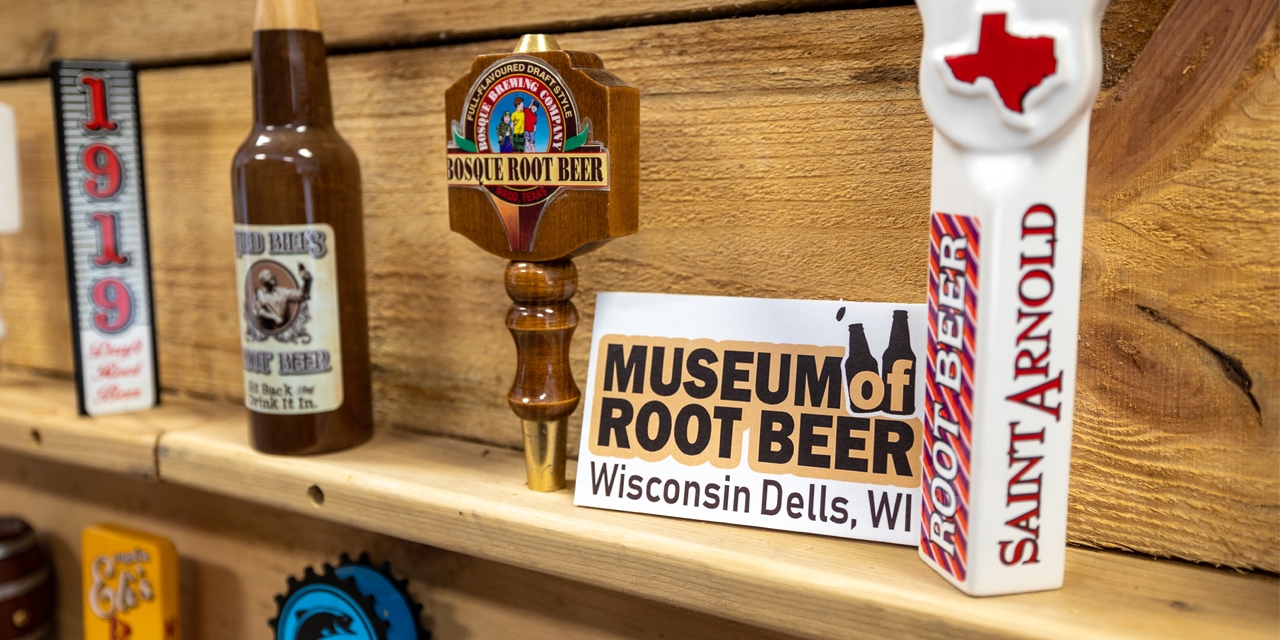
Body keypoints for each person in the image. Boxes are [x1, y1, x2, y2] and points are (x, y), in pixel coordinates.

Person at [254, 264, 311, 331]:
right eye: (268, 275)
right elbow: (260, 312)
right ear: (262, 281)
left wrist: (306, 281)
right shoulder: (259, 294)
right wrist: (274, 317)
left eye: (271, 274)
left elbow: (300, 295)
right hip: (268, 331)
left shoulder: (282, 291)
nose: (271, 276)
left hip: (284, 329)